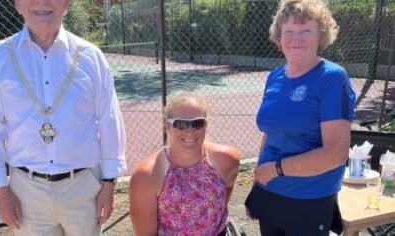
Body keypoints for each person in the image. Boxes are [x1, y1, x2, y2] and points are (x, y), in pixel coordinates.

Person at [0, 0, 126, 235]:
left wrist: (109, 184)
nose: (41, 2)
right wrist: (0, 192)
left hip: (84, 187)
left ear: (66, 3)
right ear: (17, 4)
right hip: (26, 191)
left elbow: (109, 121)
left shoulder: (90, 57)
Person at [244, 0, 356, 235]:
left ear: (320, 37)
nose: (296, 39)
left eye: (306, 31)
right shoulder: (275, 77)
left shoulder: (332, 78)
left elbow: (335, 154)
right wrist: (258, 182)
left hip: (309, 198)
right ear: (279, 37)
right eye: (289, 31)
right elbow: (270, 134)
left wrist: (275, 169)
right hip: (271, 190)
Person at [129, 93, 240, 235]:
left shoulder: (226, 159)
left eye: (197, 123)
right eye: (181, 124)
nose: (190, 131)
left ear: (205, 125)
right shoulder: (146, 176)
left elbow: (226, 193)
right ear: (168, 126)